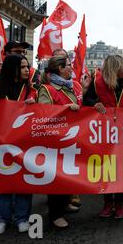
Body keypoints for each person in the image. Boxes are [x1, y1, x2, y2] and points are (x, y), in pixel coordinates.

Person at [0, 55, 37, 235]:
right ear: (12, 68)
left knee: (23, 181)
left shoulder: (33, 91)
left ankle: (22, 217)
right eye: (22, 67)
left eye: (27, 66)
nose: (27, 70)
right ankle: (2, 218)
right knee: (2, 180)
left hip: (24, 143)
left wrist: (34, 106)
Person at [84, 55, 123, 219]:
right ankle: (108, 204)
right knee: (106, 170)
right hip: (104, 132)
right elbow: (86, 99)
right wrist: (94, 102)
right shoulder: (97, 83)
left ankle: (120, 205)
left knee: (121, 170)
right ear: (115, 70)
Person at [38, 55, 83, 228]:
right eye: (69, 66)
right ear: (60, 69)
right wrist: (65, 108)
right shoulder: (47, 89)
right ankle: (55, 214)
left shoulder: (70, 87)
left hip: (70, 137)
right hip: (54, 139)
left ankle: (64, 204)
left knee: (67, 174)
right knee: (56, 177)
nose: (72, 68)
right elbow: (43, 112)